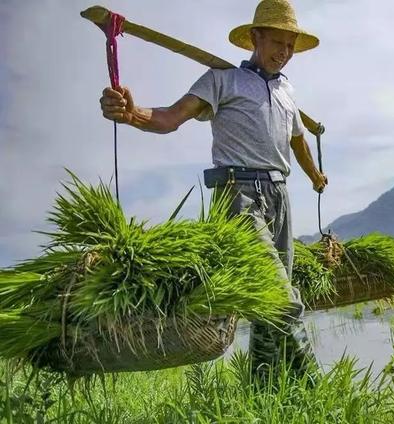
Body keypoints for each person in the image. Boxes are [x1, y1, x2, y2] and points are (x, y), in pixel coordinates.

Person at [99, 0, 326, 380]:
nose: (284, 53)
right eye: (277, 42)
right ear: (255, 37)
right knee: (285, 301)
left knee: (268, 305)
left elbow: (297, 140)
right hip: (239, 193)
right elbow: (170, 118)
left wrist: (315, 176)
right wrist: (132, 113)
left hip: (279, 196)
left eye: (290, 46)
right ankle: (319, 386)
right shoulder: (222, 80)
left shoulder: (288, 91)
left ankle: (266, 391)